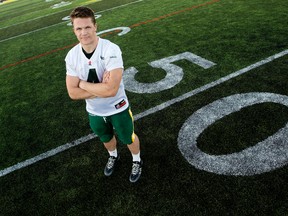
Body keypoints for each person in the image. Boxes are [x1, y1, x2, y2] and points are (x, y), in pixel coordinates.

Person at [65, 6, 142, 183]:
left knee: (128, 136)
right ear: (74, 30)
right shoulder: (71, 56)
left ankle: (137, 159)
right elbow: (72, 93)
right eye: (79, 28)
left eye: (87, 27)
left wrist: (83, 84)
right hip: (95, 111)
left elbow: (111, 90)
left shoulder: (110, 49)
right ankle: (113, 156)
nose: (83, 32)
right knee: (105, 137)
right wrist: (101, 88)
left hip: (118, 106)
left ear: (95, 27)